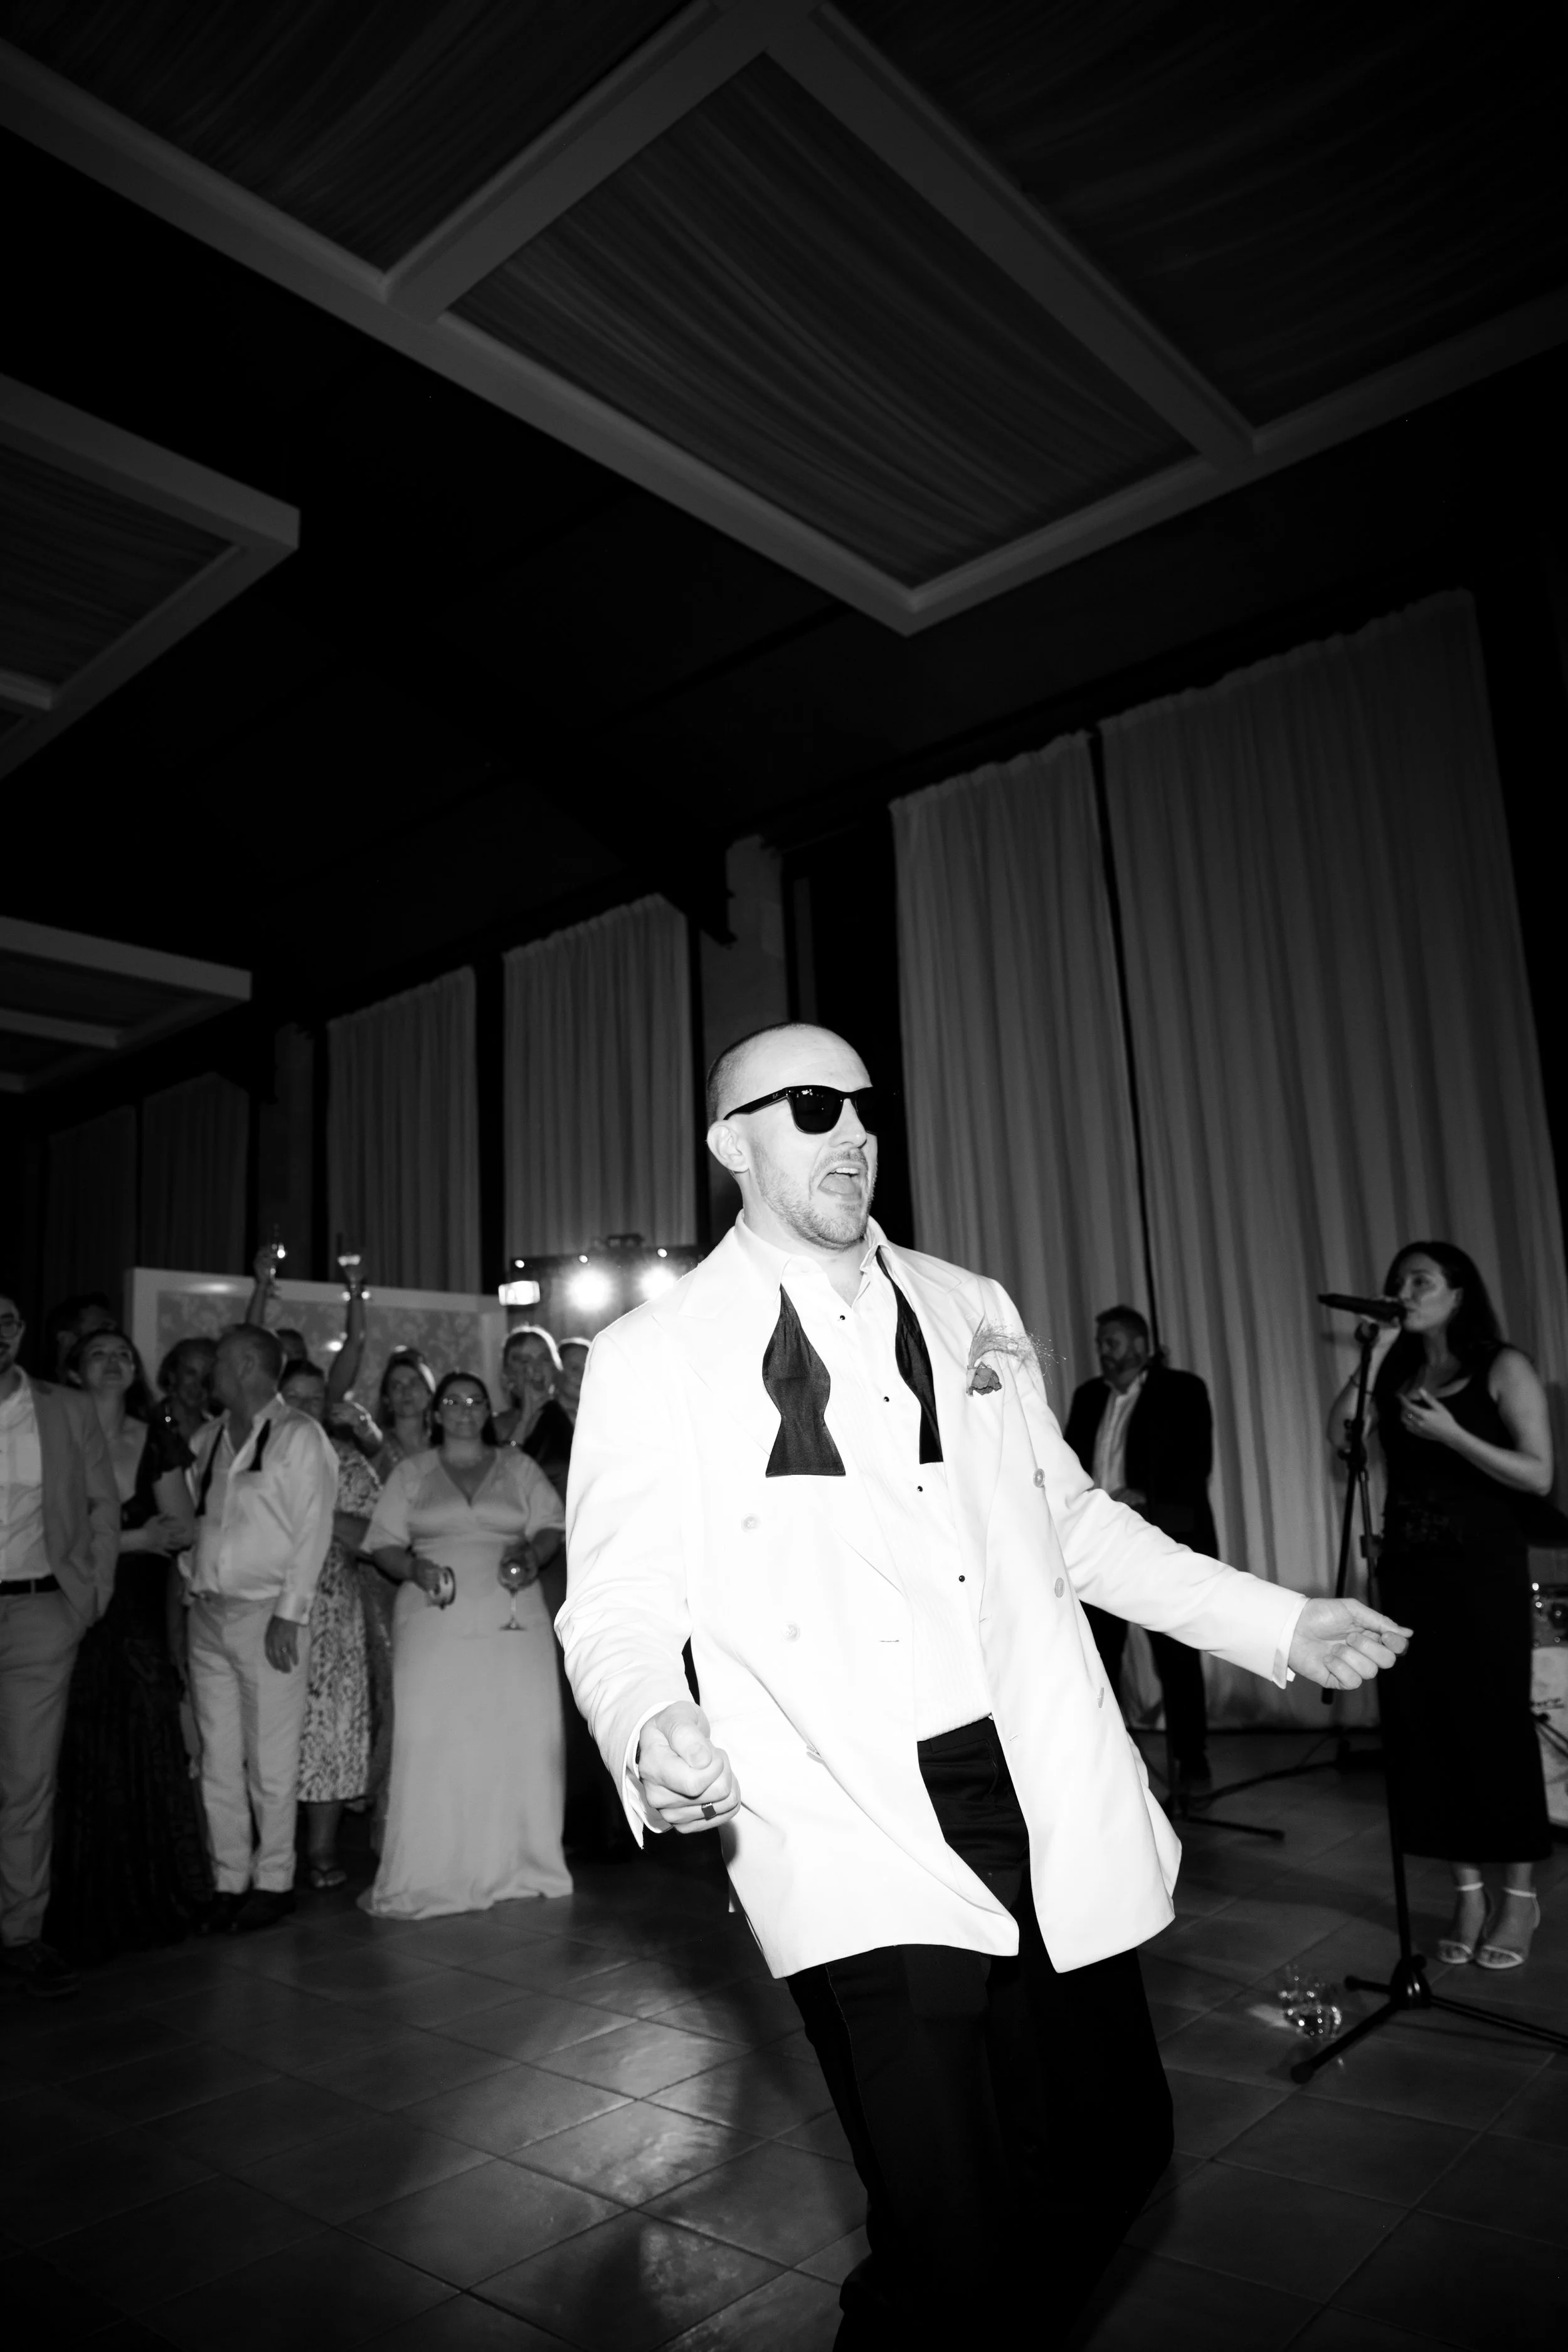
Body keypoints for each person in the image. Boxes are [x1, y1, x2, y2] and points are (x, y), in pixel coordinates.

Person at [560, 1022, 1412, 2349]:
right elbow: (613, 1602)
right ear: (731, 1143)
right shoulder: (652, 1356)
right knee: (951, 2218)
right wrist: (647, 1719)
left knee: (1112, 2143)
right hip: (847, 1816)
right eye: (808, 1108)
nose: (850, 1133)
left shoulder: (975, 1307)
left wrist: (1277, 1620)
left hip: (1030, 1778)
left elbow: (1068, 1525)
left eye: (862, 1106)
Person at [1332, 1242, 1554, 1971]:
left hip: (1482, 1571)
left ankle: (1518, 1897)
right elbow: (1343, 1436)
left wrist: (1453, 1434)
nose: (1403, 1290)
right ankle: (1465, 1892)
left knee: (1491, 1726)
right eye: (1396, 1281)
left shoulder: (1502, 1366)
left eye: (1420, 1281)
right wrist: (1377, 1350)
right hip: (1409, 1572)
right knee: (1425, 1728)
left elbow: (1537, 1473)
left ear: (1458, 1293)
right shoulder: (1393, 1370)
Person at [363, 1371, 570, 1919]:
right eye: (452, 1401)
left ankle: (524, 1861)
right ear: (436, 1412)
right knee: (435, 1738)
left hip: (513, 1615)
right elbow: (381, 1543)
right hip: (435, 1617)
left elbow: (552, 1525)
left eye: (474, 1401)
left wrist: (532, 1555)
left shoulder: (519, 1467)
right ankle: (434, 1867)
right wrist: (413, 1566)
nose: (463, 1409)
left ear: (486, 1410)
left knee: (518, 1733)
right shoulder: (412, 1472)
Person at [46, 1328, 211, 1961]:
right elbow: (45, 1540)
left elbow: (183, 1527)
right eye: (97, 1353)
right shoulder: (50, 1438)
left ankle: (155, 1897)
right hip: (70, 1607)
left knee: (146, 1743)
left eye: (122, 1353)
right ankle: (70, 1905)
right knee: (73, 1750)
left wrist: (133, 1540)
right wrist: (135, 1538)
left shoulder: (157, 1436)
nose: (113, 1361)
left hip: (138, 1613)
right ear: (71, 1370)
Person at [184, 1324, 337, 1932]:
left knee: (270, 1759)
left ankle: (274, 1879)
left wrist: (288, 1613)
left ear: (248, 1364)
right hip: (208, 1613)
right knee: (219, 1758)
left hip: (268, 1614)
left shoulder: (300, 1437)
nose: (209, 1374)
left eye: (218, 1362)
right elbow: (204, 1523)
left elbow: (313, 1531)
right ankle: (229, 1879)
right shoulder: (208, 1439)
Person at [0, 1283, 119, 1998]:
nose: (0, 1333)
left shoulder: (64, 1409)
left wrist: (91, 1596)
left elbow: (103, 1504)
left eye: (9, 1322)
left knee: (27, 1784)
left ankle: (18, 1933)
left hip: (43, 1613)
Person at [1066, 1307, 1217, 1788]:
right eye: (1100, 1343)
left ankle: (1191, 1759)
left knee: (1175, 1656)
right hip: (1098, 1543)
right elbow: (1068, 1459)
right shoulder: (1088, 1396)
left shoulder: (1182, 1389)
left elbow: (1196, 1463)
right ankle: (1108, 1758)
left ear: (1138, 1343)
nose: (1103, 1351)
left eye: (1111, 1341)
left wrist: (1146, 1496)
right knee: (1097, 1655)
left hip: (1159, 1538)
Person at [497, 1325, 631, 1863]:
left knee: (612, 1678)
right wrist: (528, 1418)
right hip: (548, 1569)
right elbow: (495, 1485)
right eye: (521, 1359)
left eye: (542, 1358)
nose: (536, 1369)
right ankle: (566, 1816)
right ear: (508, 1373)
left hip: (607, 1562)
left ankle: (618, 1818)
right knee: (561, 1687)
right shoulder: (501, 1425)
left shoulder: (601, 1416)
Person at [279, 1358, 379, 1890]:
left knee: (330, 1733)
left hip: (334, 1612)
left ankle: (319, 1850)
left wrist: (320, 1517)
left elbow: (378, 1537)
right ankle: (266, 1854)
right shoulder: (254, 1456)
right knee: (270, 1733)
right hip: (264, 1608)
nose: (300, 1409)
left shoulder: (346, 1461)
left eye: (312, 1400)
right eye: (290, 1397)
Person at [156, 1337, 218, 1446]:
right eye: (191, 1373)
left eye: (207, 1376)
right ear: (173, 1375)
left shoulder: (219, 1427)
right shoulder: (150, 1424)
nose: (198, 1384)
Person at [44, 1293, 117, 1382]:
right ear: (66, 1339)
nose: (114, 1336)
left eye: (114, 1329)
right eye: (103, 1329)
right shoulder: (34, 1391)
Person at [556, 1337, 590, 1425]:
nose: (583, 1376)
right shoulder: (540, 1417)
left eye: (588, 1369)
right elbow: (514, 1440)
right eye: (575, 1369)